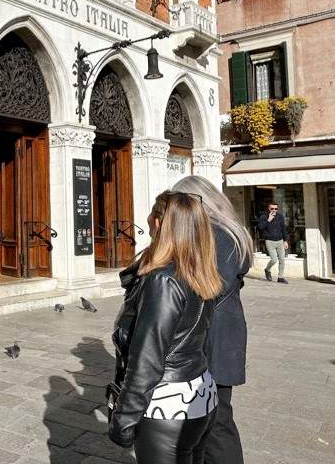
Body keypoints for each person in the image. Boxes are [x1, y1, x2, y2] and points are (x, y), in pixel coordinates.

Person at [109, 191, 222, 463]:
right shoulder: (197, 270)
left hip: (165, 403)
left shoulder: (164, 281)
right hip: (200, 394)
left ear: (158, 223)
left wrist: (124, 419)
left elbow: (148, 358)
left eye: (151, 213)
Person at [172, 176, 252, 464]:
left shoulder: (218, 236)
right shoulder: (227, 232)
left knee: (217, 421)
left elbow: (211, 287)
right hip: (221, 333)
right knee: (210, 418)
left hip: (215, 338)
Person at [257, 202, 289, 283]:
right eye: (272, 208)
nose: (274, 210)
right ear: (269, 209)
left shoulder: (280, 217)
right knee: (274, 259)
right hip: (269, 241)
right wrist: (268, 220)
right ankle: (267, 270)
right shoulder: (264, 217)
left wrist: (285, 241)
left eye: (276, 209)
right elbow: (260, 227)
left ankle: (280, 277)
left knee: (282, 260)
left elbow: (283, 229)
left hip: (280, 241)